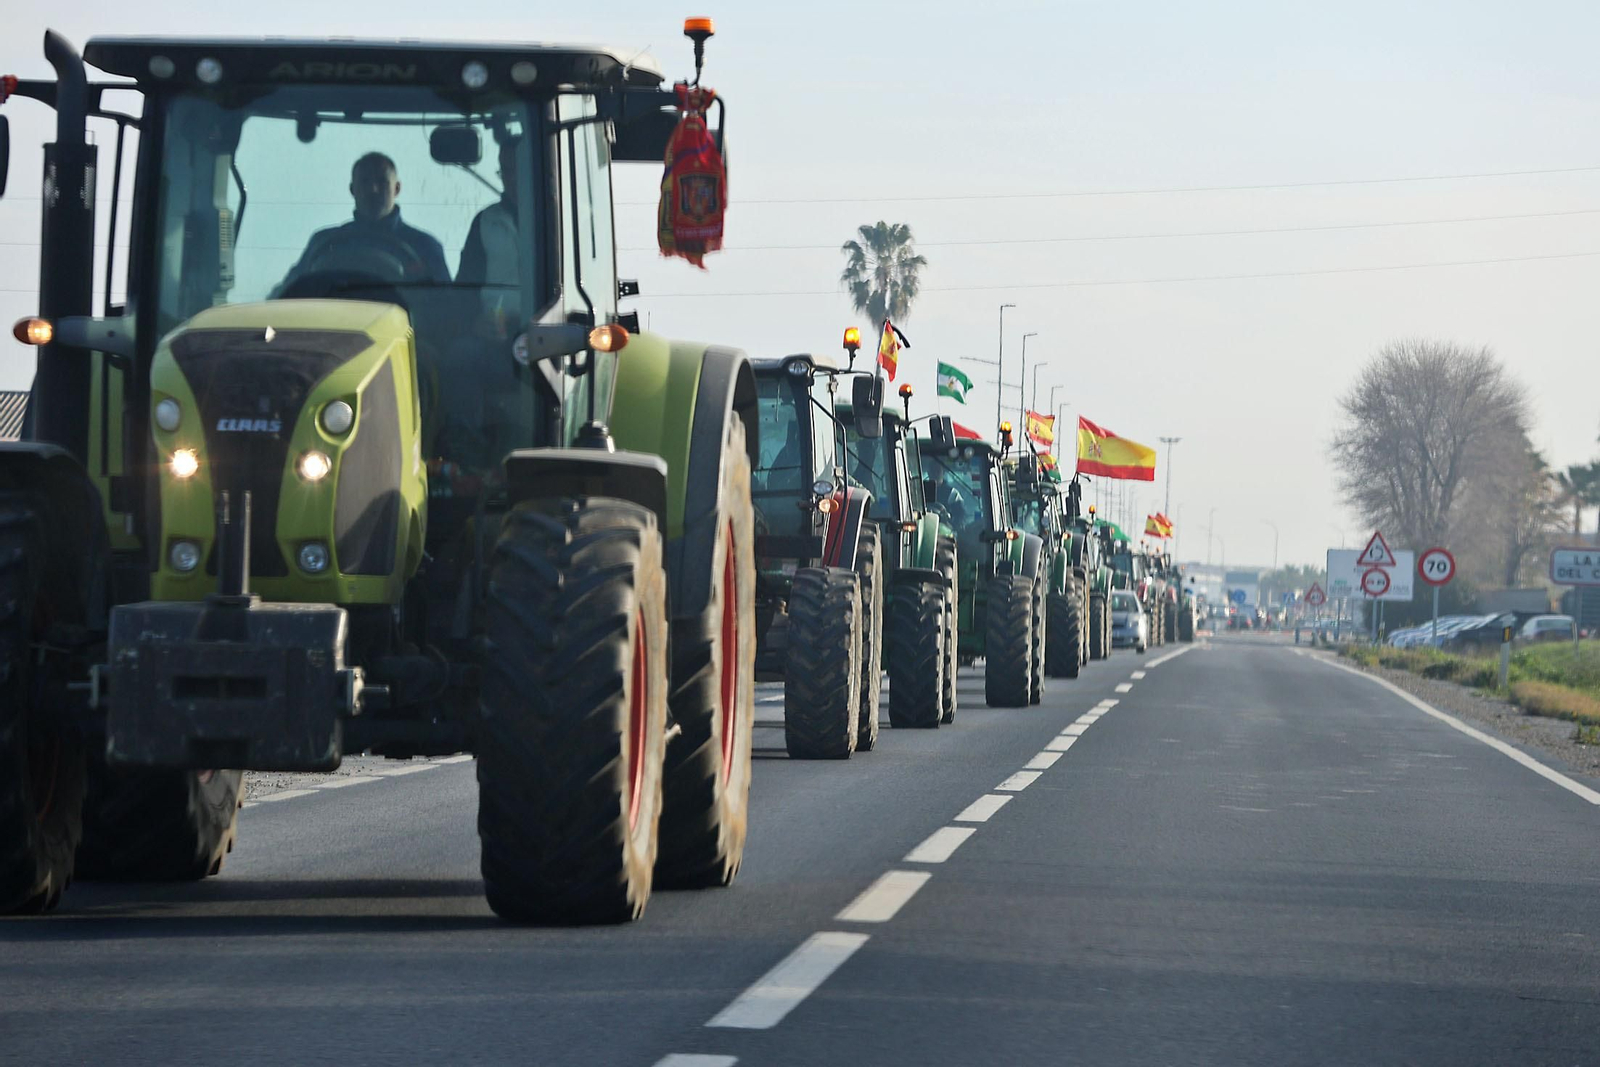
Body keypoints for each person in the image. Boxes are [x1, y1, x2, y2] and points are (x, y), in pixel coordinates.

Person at [277, 152, 451, 294]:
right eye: (365, 182)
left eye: (382, 182)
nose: (373, 189)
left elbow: (446, 310)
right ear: (353, 190)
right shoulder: (322, 242)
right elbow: (288, 294)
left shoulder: (425, 247)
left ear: (397, 188)